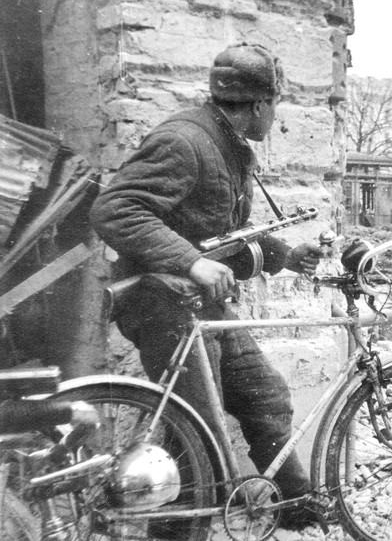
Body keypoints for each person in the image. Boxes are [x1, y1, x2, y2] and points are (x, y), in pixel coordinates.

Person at [89, 43, 323, 530]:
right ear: (260, 104)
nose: (274, 117)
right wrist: (192, 263)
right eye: (275, 105)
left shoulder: (227, 145)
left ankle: (296, 504)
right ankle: (176, 533)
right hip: (163, 307)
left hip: (200, 305)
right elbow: (114, 210)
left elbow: (218, 236)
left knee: (266, 396)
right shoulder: (185, 141)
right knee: (193, 437)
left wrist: (286, 257)